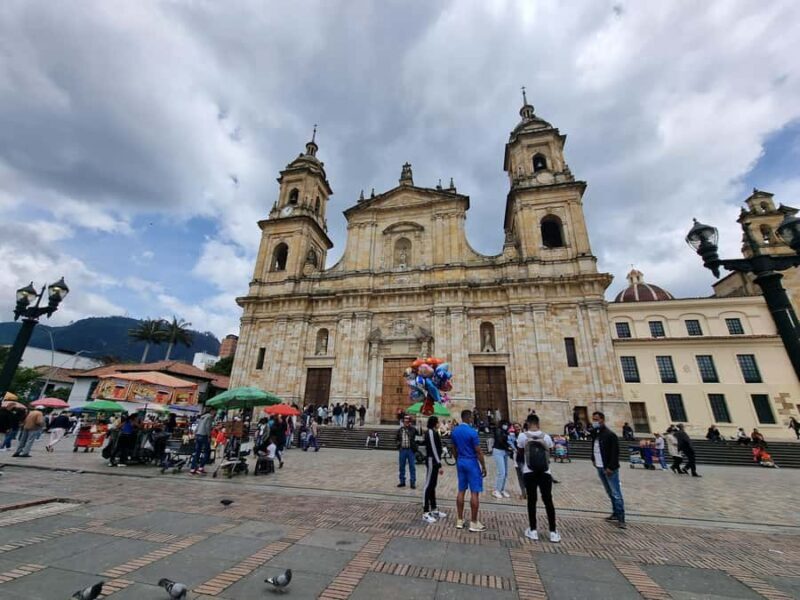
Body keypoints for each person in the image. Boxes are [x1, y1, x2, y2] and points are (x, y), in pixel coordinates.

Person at [518, 414, 560, 542]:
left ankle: (533, 530)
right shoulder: (546, 437)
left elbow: (520, 453)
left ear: (527, 423)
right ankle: (553, 532)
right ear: (538, 423)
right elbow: (550, 452)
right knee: (548, 501)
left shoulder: (522, 436)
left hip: (529, 471)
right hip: (545, 472)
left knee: (532, 501)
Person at [451, 410, 487, 532]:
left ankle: (460, 520)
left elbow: (453, 448)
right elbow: (478, 451)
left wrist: (457, 460)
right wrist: (483, 465)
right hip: (471, 462)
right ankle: (474, 522)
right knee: (474, 492)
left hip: (461, 461)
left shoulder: (455, 431)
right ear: (469, 418)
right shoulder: (472, 432)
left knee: (461, 490)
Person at [590, 411, 626, 529]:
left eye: (597, 419)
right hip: (600, 466)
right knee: (610, 492)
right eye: (593, 419)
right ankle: (615, 513)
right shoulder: (595, 433)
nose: (595, 422)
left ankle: (621, 518)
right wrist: (593, 459)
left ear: (602, 420)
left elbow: (615, 453)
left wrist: (611, 467)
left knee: (616, 493)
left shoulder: (610, 434)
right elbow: (595, 448)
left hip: (609, 468)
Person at [422, 416, 446, 523]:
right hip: (432, 460)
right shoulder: (430, 432)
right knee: (428, 485)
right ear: (434, 423)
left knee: (433, 485)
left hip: (435, 461)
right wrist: (439, 463)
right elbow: (433, 448)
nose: (439, 423)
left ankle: (434, 509)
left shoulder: (434, 432)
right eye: (438, 422)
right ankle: (425, 512)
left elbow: (437, 447)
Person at [190, 407, 216, 475]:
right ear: (211, 411)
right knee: (207, 452)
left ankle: (193, 469)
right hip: (204, 435)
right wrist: (209, 436)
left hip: (198, 435)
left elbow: (198, 426)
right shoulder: (210, 417)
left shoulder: (202, 417)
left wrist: (195, 434)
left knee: (197, 452)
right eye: (214, 411)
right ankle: (200, 468)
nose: (215, 413)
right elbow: (207, 427)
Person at [396, 415, 418, 488]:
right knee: (401, 466)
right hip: (402, 450)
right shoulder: (400, 430)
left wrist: (419, 426)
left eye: (407, 421)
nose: (406, 422)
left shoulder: (413, 429)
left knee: (412, 466)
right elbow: (396, 438)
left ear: (410, 422)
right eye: (404, 421)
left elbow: (419, 434)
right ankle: (402, 481)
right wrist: (398, 445)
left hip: (410, 450)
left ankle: (412, 482)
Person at [492, 420, 511, 499]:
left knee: (505, 472)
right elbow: (500, 441)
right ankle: (496, 490)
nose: (506, 426)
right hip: (498, 451)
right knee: (501, 472)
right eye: (504, 424)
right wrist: (508, 447)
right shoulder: (498, 430)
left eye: (507, 424)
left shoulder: (505, 432)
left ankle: (502, 489)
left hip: (504, 452)